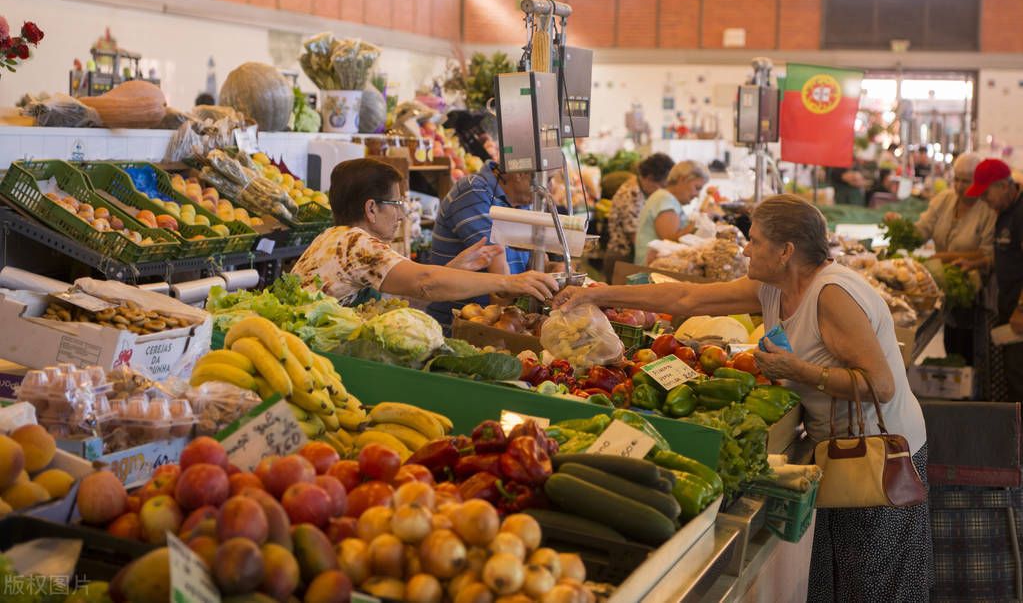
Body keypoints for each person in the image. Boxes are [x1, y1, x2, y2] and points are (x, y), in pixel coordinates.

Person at [554, 194, 931, 601]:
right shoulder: (774, 287)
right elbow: (687, 299)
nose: (746, 248)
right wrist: (598, 294)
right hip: (838, 451)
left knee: (876, 585)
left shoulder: (832, 294)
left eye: (754, 240)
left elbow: (882, 384)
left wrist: (798, 371)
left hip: (881, 454)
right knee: (837, 580)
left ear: (785, 251)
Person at [291, 159, 558, 308]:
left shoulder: (330, 238)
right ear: (371, 208)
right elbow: (425, 282)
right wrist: (508, 282)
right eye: (397, 204)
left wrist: (457, 266)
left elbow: (405, 296)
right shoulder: (356, 244)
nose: (401, 214)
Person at [885, 153, 996, 363]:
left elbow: (987, 252)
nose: (959, 186)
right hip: (945, 288)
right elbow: (921, 231)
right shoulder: (944, 200)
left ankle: (969, 389)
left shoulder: (987, 208)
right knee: (952, 340)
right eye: (956, 179)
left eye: (966, 181)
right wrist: (899, 224)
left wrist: (944, 256)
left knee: (971, 346)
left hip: (976, 291)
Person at [425, 161, 535, 326]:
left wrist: (554, 271)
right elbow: (497, 267)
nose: (550, 187)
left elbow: (532, 258)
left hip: (502, 321)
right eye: (547, 180)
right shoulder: (473, 190)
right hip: (459, 327)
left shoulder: (523, 201)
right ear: (520, 174)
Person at [963, 158, 1023, 401]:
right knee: (1013, 374)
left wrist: (1021, 309)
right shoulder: (1004, 212)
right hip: (1009, 309)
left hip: (1019, 311)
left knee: (1019, 377)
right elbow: (1007, 256)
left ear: (1004, 186)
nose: (983, 199)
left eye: (986, 192)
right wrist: (977, 263)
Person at [604, 154, 675, 279]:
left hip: (629, 256)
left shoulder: (640, 189)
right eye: (662, 186)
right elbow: (635, 236)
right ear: (649, 177)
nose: (662, 191)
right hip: (623, 257)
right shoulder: (632, 194)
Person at [632, 160, 709, 265]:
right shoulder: (665, 199)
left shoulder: (668, 199)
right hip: (650, 269)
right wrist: (700, 222)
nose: (697, 195)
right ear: (684, 179)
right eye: (697, 188)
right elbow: (669, 239)